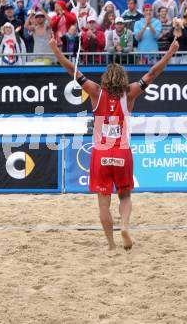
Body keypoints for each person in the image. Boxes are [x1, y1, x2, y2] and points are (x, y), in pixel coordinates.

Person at [49, 36, 179, 250]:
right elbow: (152, 73)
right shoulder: (129, 94)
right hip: (122, 152)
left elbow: (73, 71)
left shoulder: (96, 92)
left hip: (101, 153)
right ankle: (125, 226)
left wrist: (55, 50)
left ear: (106, 77)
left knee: (103, 203)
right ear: (123, 78)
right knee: (125, 196)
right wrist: (170, 52)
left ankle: (111, 245)